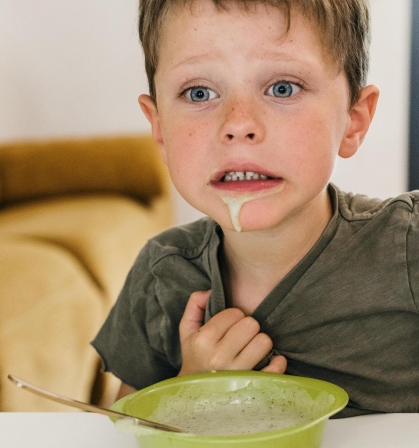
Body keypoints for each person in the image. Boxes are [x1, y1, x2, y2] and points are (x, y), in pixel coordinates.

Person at [92, 0, 419, 417]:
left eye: (282, 88)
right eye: (199, 93)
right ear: (159, 129)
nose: (238, 123)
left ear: (353, 120)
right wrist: (187, 391)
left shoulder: (408, 244)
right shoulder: (161, 275)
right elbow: (123, 427)